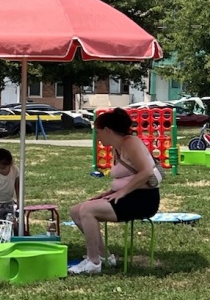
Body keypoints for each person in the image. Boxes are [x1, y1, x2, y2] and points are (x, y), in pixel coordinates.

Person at [68, 107, 161, 275]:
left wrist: (122, 192)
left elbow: (146, 171)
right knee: (75, 211)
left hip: (142, 199)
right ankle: (104, 257)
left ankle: (93, 261)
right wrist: (107, 193)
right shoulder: (116, 148)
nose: (97, 136)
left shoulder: (130, 143)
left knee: (88, 210)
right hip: (127, 196)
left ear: (107, 130)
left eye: (98, 132)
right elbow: (123, 177)